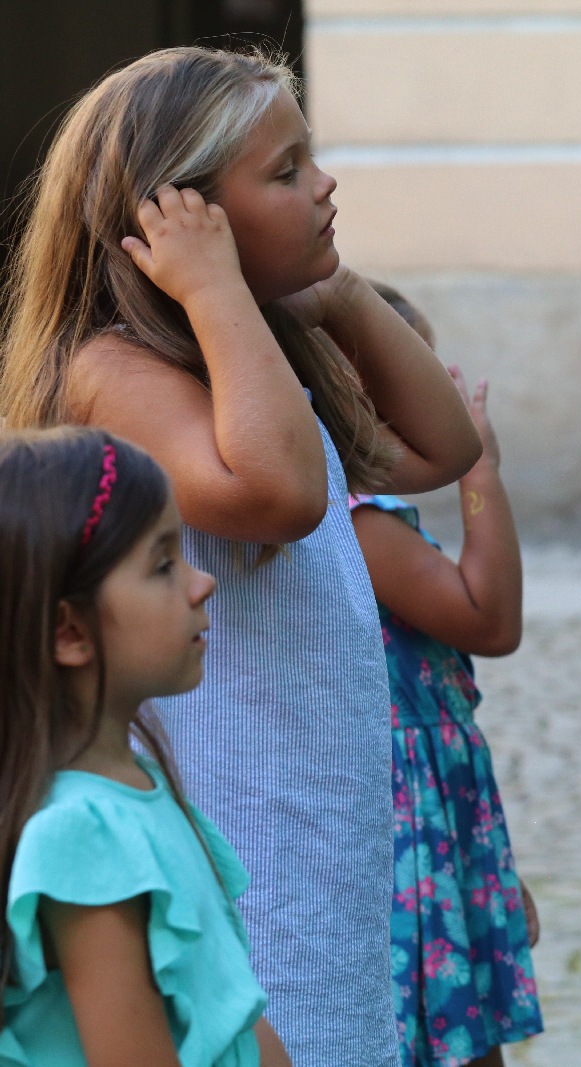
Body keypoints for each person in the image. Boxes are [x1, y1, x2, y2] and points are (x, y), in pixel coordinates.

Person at [0, 48, 481, 1067]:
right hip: (238, 793)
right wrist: (218, 288)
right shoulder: (111, 368)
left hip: (309, 797)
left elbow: (441, 448)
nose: (324, 184)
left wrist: (338, 294)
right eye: (286, 170)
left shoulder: (248, 350)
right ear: (181, 218)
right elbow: (280, 498)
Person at [0, 427, 291, 1065]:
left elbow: (232, 1010)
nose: (202, 583)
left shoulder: (138, 787)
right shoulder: (83, 834)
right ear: (69, 632)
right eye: (163, 566)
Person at [349, 285, 543, 1067]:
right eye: (415, 376)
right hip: (407, 812)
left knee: (461, 1034)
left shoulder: (370, 513)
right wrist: (480, 469)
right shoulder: (362, 520)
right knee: (445, 1041)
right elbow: (490, 619)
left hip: (435, 803)